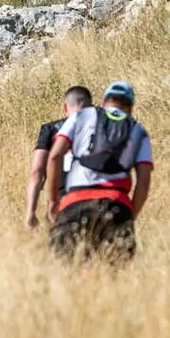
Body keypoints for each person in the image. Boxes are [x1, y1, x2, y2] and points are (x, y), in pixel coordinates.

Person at [45, 81, 154, 260]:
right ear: (130, 107)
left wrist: (52, 201)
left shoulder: (80, 116)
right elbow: (143, 181)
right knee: (114, 275)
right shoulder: (138, 129)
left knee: (68, 272)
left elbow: (55, 156)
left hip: (75, 203)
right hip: (116, 204)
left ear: (103, 102)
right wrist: (129, 215)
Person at [26, 85, 92, 230]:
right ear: (92, 108)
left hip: (63, 201)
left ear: (65, 107)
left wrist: (30, 212)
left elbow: (37, 172)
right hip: (98, 201)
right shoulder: (102, 130)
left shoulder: (51, 129)